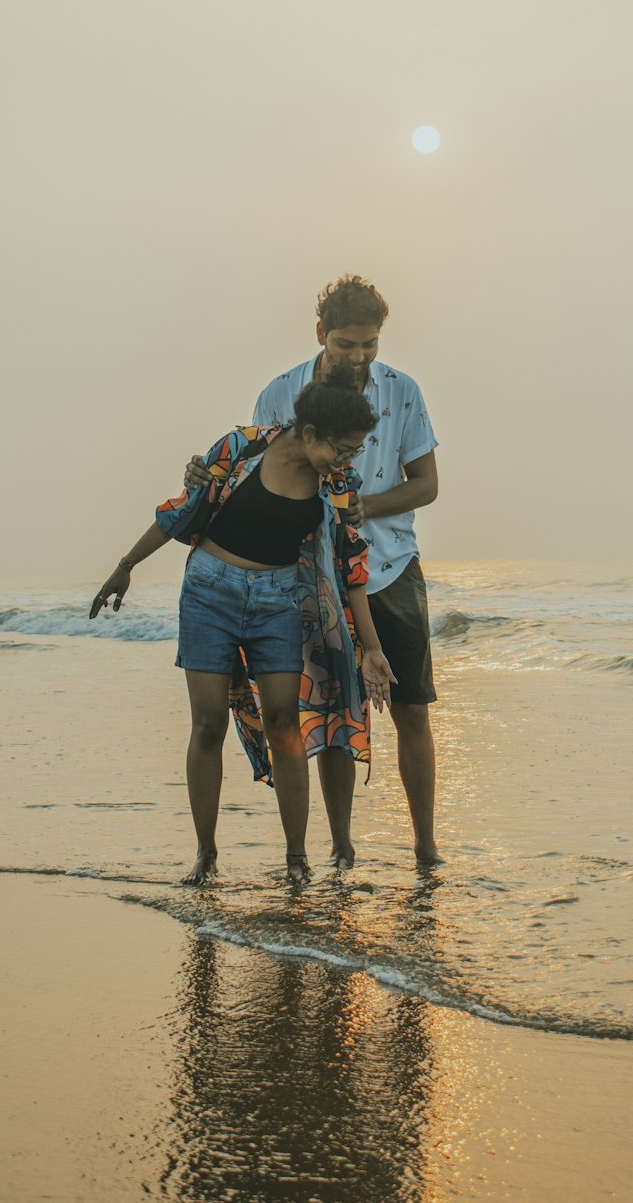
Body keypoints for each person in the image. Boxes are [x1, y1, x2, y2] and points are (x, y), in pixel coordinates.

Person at [90, 366, 395, 886]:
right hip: (209, 593)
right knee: (207, 724)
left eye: (354, 451)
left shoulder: (337, 484)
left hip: (279, 601)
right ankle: (206, 856)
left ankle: (296, 860)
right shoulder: (241, 449)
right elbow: (179, 511)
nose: (347, 460)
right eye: (340, 449)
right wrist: (126, 565)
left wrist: (371, 648)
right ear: (309, 432)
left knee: (284, 724)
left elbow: (352, 566)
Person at [184, 274, 441, 865]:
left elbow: (427, 485)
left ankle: (427, 848)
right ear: (321, 333)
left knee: (412, 708)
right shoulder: (279, 393)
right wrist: (200, 480)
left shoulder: (403, 392)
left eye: (369, 344)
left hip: (391, 566)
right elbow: (253, 468)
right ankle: (341, 849)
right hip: (304, 576)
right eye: (346, 344)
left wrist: (359, 510)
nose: (358, 356)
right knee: (326, 711)